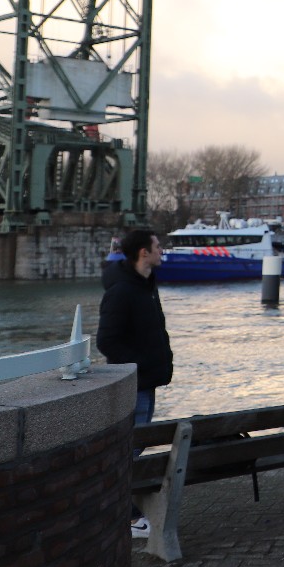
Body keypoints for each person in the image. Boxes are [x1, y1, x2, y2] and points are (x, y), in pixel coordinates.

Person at [98, 228, 171, 540]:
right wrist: (138, 366)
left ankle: (124, 511)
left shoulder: (146, 285)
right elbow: (106, 341)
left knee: (136, 445)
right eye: (157, 246)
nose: (161, 250)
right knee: (131, 448)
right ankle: (124, 514)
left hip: (148, 381)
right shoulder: (122, 291)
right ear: (144, 252)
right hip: (135, 383)